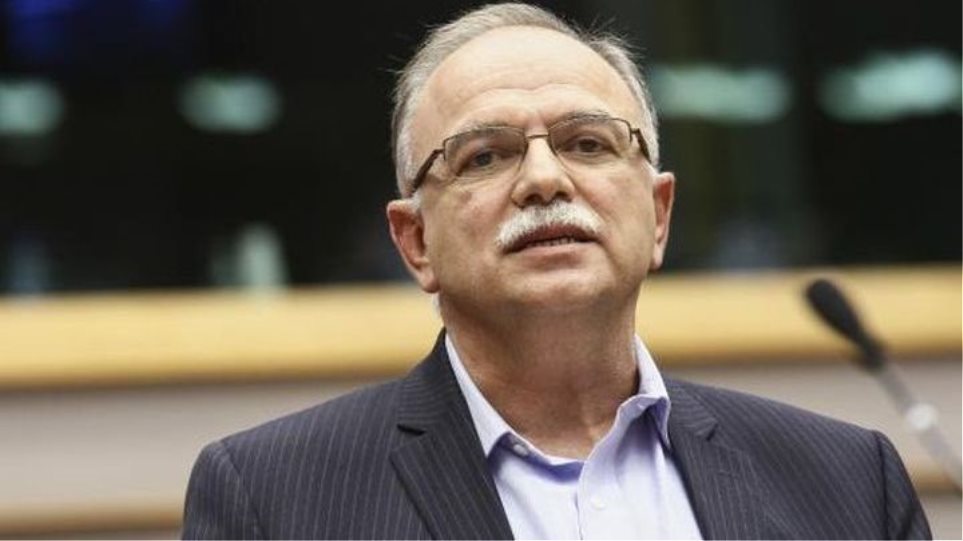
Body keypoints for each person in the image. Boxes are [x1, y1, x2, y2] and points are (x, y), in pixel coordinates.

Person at [182, 3, 931, 539]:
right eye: (485, 155)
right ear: (415, 243)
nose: (544, 179)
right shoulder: (272, 500)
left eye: (588, 144)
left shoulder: (846, 481)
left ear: (658, 215)